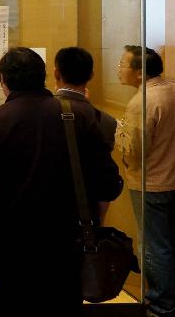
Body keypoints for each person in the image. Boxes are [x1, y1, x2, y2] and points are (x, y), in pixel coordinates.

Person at [0, 47, 122, 316]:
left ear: (4, 81)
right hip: (64, 244)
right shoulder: (77, 117)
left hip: (12, 244)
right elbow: (110, 184)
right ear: (46, 75)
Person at [116, 45, 175, 317]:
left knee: (154, 247)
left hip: (152, 186)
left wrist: (119, 135)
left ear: (139, 72)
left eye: (123, 64)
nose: (118, 69)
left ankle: (161, 306)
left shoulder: (141, 102)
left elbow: (134, 152)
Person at [54, 46, 118, 223]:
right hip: (84, 213)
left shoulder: (38, 113)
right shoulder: (105, 121)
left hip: (44, 209)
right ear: (91, 75)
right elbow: (105, 180)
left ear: (56, 73)